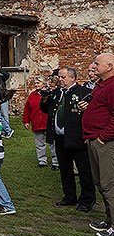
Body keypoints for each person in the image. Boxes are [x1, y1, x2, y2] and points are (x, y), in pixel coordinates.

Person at [41, 66, 95, 212]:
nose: (60, 80)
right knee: (65, 169)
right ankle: (69, 197)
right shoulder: (56, 92)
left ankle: (87, 200)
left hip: (77, 138)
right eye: (59, 77)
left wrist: (88, 135)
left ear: (72, 78)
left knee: (84, 171)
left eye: (63, 77)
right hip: (60, 138)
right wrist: (45, 99)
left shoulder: (84, 93)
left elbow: (91, 116)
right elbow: (46, 110)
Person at [82, 53, 114, 236]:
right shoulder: (102, 85)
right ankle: (109, 220)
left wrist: (102, 137)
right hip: (94, 140)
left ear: (109, 66)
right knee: (101, 183)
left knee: (109, 184)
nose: (93, 66)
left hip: (106, 143)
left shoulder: (112, 87)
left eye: (97, 63)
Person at [22, 76, 57, 169]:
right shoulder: (32, 95)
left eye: (38, 83)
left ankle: (56, 162)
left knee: (53, 143)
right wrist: (26, 121)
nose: (36, 84)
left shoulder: (51, 93)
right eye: (36, 83)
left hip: (49, 122)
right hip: (36, 123)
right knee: (39, 143)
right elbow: (27, 109)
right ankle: (42, 161)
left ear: (44, 83)